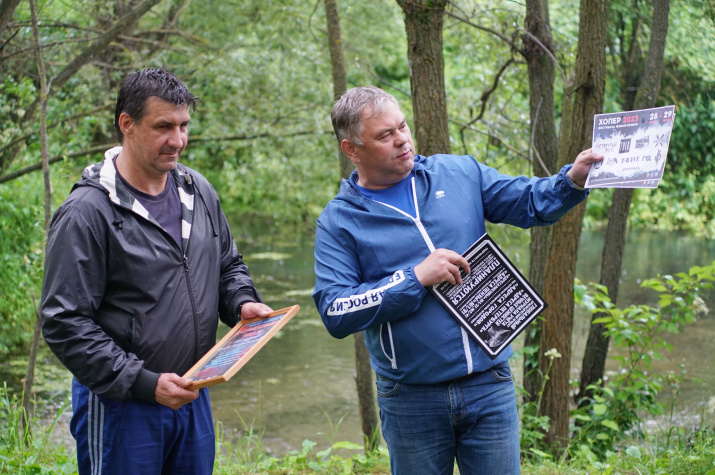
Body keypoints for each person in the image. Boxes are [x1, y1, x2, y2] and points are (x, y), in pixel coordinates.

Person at [312, 86, 603, 475]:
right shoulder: (339, 221)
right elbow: (335, 310)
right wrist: (413, 279)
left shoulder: (459, 173)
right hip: (410, 397)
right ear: (352, 149)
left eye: (402, 126)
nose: (402, 139)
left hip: (489, 383)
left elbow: (530, 201)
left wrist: (572, 181)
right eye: (385, 135)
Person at [41, 68, 273, 475]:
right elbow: (64, 322)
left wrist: (241, 302)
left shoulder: (198, 190)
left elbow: (227, 265)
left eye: (184, 126)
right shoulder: (87, 213)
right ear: (126, 124)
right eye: (164, 127)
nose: (178, 140)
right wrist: (144, 383)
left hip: (192, 392)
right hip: (122, 405)